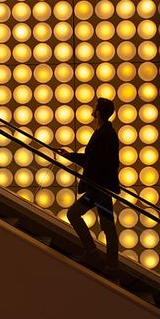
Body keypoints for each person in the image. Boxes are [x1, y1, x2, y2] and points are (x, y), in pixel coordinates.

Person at [57, 97, 120, 281]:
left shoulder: (106, 134)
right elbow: (91, 159)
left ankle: (92, 253)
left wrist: (91, 181)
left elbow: (100, 163)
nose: (92, 108)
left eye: (95, 106)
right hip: (101, 188)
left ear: (99, 111)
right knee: (108, 226)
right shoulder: (104, 132)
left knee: (73, 214)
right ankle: (112, 268)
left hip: (98, 189)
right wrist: (70, 156)